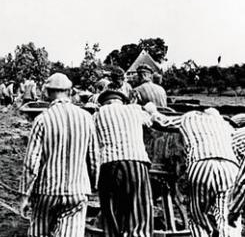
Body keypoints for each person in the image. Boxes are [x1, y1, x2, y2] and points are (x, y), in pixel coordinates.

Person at [19, 73, 98, 237]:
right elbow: (94, 159)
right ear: (69, 91)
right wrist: (92, 185)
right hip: (77, 191)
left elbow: (31, 163)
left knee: (38, 232)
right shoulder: (87, 118)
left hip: (47, 191)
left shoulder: (42, 120)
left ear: (47, 92)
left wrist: (25, 195)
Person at [146, 105, 238, 236]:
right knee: (226, 217)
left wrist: (152, 110)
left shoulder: (189, 118)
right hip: (230, 166)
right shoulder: (226, 125)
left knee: (198, 218)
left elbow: (163, 122)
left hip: (201, 163)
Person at [93, 90, 154, 236]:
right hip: (136, 161)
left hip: (108, 162)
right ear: (122, 101)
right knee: (138, 207)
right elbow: (151, 121)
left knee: (110, 208)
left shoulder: (97, 115)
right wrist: (150, 109)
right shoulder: (134, 110)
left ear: (103, 103)